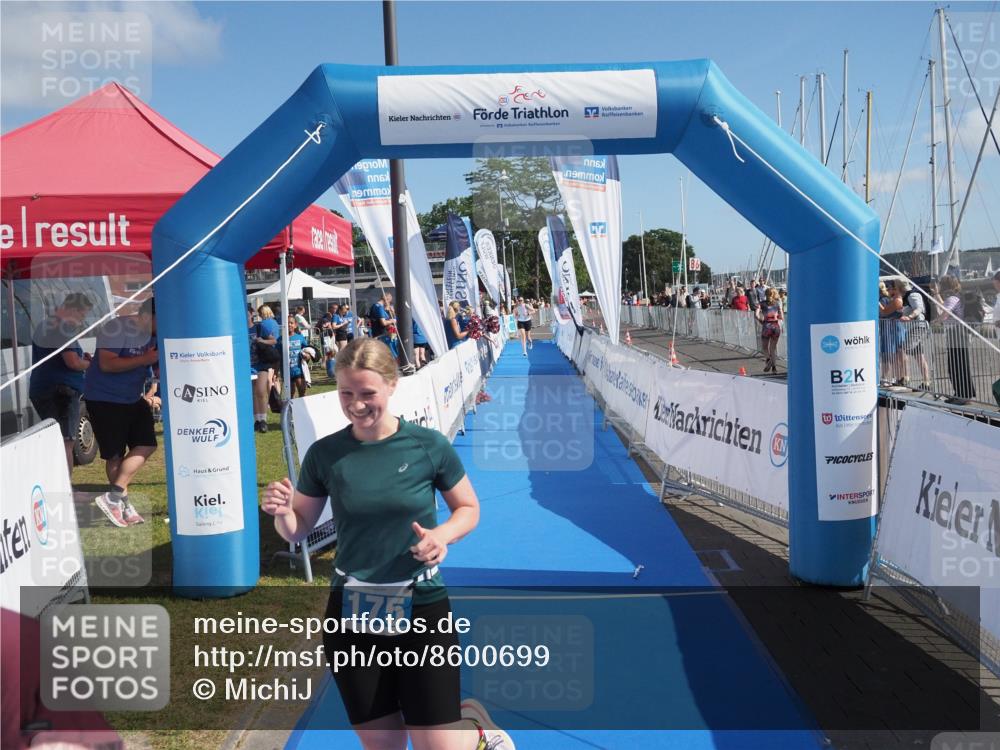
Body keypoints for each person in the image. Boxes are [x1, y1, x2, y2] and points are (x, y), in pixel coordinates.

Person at [260, 339, 514, 750]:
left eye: (367, 393)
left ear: (392, 385)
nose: (356, 405)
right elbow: (298, 528)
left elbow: (468, 508)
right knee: (383, 744)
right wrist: (283, 513)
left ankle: (475, 730)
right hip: (352, 612)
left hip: (422, 606)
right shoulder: (325, 454)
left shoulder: (428, 446)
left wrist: (441, 536)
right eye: (346, 393)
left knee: (440, 746)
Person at [84, 298, 158, 527]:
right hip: (104, 398)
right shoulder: (116, 327)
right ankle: (123, 506)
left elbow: (156, 366)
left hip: (132, 398)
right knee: (115, 455)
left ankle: (113, 497)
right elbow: (107, 364)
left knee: (147, 444)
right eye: (160, 320)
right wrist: (145, 359)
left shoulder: (154, 334)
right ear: (146, 316)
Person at [29, 292, 94, 473]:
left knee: (55, 440)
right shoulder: (63, 328)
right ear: (72, 310)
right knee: (66, 442)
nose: (81, 320)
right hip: (62, 392)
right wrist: (90, 364)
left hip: (43, 389)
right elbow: (72, 362)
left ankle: (56, 482)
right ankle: (65, 487)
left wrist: (81, 359)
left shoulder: (44, 325)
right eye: (82, 315)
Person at [933, 275, 977, 404]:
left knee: (957, 366)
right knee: (957, 365)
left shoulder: (952, 298)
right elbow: (944, 307)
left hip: (956, 334)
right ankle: (960, 394)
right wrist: (936, 294)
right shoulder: (956, 297)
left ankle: (963, 395)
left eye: (940, 284)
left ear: (945, 286)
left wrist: (935, 321)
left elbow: (944, 314)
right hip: (958, 334)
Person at [897, 279, 932, 391]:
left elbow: (919, 308)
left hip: (917, 326)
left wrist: (910, 317)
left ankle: (905, 378)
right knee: (918, 354)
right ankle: (926, 383)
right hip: (915, 327)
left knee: (902, 350)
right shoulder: (907, 296)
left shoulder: (912, 295)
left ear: (899, 287)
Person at [251, 305, 281, 432]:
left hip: (264, 359)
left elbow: (273, 340)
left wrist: (260, 341)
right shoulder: (273, 322)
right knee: (266, 385)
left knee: (261, 389)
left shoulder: (263, 324)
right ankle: (258, 419)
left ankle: (262, 419)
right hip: (268, 358)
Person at [279, 314, 308, 398]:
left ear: (295, 325)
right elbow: (277, 356)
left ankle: (302, 406)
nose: (289, 325)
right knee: (290, 394)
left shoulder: (300, 337)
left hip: (299, 370)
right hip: (286, 371)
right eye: (287, 323)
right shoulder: (280, 339)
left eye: (291, 323)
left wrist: (307, 355)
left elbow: (307, 350)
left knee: (302, 391)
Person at [756, 287, 784, 373]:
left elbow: (756, 315)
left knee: (764, 347)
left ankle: (768, 360)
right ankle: (774, 368)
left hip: (767, 326)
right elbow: (781, 317)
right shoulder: (777, 303)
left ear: (765, 294)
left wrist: (761, 321)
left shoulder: (761, 304)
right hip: (776, 327)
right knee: (773, 348)